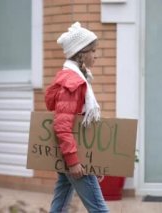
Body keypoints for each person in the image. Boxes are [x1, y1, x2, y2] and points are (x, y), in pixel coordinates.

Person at [45, 22, 109, 213]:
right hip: (75, 159)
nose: (96, 55)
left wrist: (92, 160)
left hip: (74, 155)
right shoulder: (73, 83)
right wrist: (73, 161)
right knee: (99, 209)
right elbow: (62, 126)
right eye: (93, 51)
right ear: (81, 54)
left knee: (60, 206)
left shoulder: (77, 79)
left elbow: (79, 125)